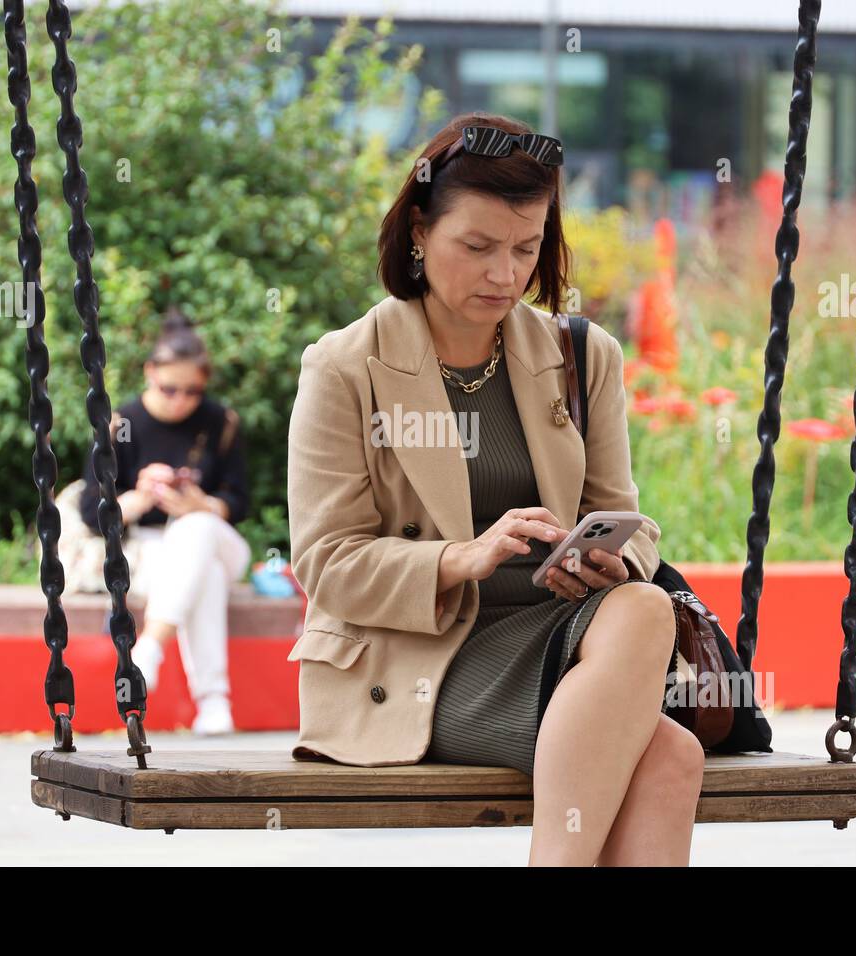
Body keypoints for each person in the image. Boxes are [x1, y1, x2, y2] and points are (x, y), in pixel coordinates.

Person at [285, 112, 704, 866]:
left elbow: (627, 520)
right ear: (420, 231)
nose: (505, 276)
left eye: (525, 248)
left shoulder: (582, 356)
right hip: (419, 659)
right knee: (669, 757)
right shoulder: (345, 366)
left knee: (642, 607)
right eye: (477, 247)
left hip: (562, 631)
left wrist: (611, 559)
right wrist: (460, 558)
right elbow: (327, 562)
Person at [79, 311, 252, 736]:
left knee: (197, 527)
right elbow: (90, 511)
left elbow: (240, 501)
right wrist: (138, 499)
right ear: (150, 373)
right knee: (206, 574)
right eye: (170, 389)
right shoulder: (120, 424)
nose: (180, 400)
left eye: (193, 391)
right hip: (152, 548)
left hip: (219, 539)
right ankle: (213, 702)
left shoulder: (220, 422)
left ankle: (151, 645)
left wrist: (201, 503)